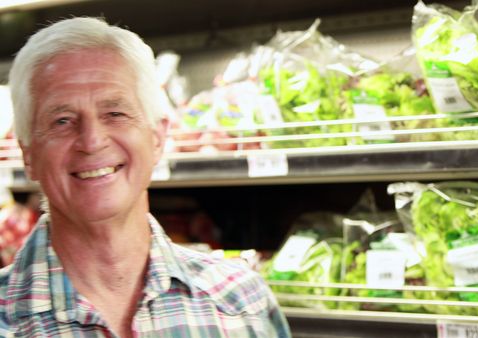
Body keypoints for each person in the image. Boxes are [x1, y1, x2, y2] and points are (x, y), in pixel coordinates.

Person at [0, 17, 291, 338]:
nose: (92, 141)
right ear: (28, 155)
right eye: (62, 120)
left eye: (115, 113)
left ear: (157, 138)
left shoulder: (241, 302)